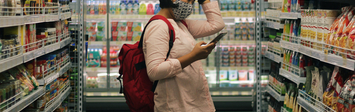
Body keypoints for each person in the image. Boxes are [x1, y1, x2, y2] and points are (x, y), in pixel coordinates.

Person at [142, 0, 225, 111]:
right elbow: (154, 71)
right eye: (189, 0)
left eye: (193, 1)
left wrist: (205, 1)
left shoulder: (180, 23)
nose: (190, 5)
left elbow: (216, 25)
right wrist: (194, 56)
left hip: (193, 103)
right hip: (176, 106)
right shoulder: (158, 26)